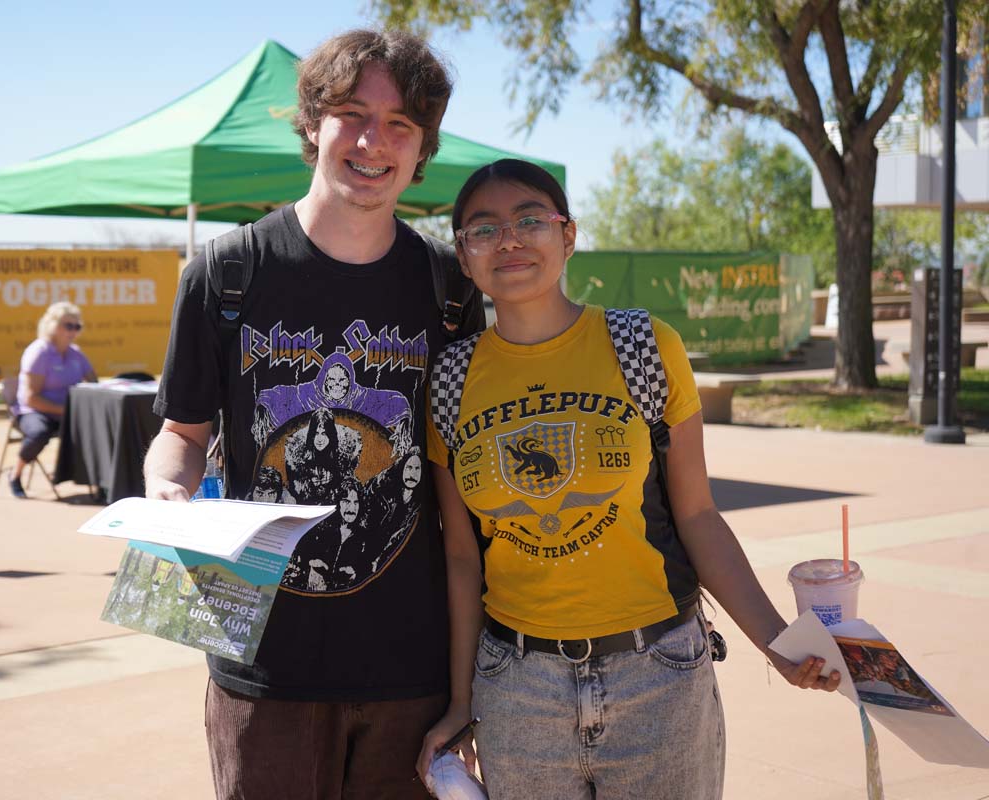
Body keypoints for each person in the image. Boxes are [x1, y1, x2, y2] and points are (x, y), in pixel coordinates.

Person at [416, 159, 840, 799]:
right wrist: (458, 701)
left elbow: (698, 516)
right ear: (464, 256)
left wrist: (778, 643)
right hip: (517, 688)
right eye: (484, 229)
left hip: (659, 675)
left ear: (568, 235)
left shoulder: (644, 344)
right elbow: (460, 559)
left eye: (530, 219)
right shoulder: (449, 381)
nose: (509, 239)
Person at [143, 29, 484, 799]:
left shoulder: (451, 290)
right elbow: (180, 437)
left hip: (412, 673)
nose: (374, 141)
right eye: (352, 114)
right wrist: (168, 493)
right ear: (313, 124)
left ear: (422, 145)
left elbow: (465, 482)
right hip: (261, 666)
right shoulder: (225, 273)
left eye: (401, 124)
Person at [9, 301, 96, 499]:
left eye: (77, 326)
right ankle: (15, 475)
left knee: (97, 426)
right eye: (68, 325)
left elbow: (94, 383)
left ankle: (98, 481)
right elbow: (31, 398)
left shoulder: (76, 354)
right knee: (39, 432)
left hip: (66, 413)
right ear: (53, 325)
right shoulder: (39, 352)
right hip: (32, 412)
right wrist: (65, 410)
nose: (73, 331)